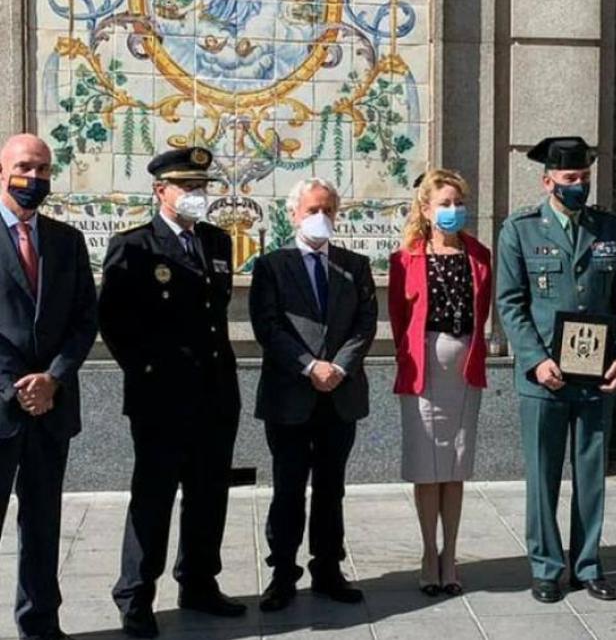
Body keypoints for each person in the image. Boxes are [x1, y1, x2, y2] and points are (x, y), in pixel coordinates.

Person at [100, 147, 245, 638]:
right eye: (187, 187)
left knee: (209, 493)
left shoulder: (218, 241)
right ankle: (135, 595)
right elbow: (115, 321)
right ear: (161, 191)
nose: (197, 196)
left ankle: (199, 582)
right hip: (160, 395)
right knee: (154, 495)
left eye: (202, 187)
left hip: (215, 391)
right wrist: (147, 374)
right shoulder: (135, 246)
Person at [495, 136, 616, 604]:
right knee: (543, 475)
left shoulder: (609, 228)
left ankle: (588, 564)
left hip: (596, 373)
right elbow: (511, 304)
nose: (578, 185)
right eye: (569, 178)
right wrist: (536, 361)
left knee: (591, 472)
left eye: (583, 178)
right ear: (548, 180)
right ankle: (546, 567)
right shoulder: (521, 229)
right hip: (545, 376)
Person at [249, 178, 378, 611]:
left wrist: (338, 366)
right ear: (293, 215)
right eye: (311, 210)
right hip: (291, 393)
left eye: (327, 210)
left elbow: (364, 324)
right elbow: (268, 326)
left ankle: (328, 568)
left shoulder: (355, 265)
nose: (319, 218)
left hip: (340, 394)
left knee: (331, 487)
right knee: (288, 487)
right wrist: (309, 365)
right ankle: (282, 572)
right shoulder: (271, 265)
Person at [0, 135, 97, 640]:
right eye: (23, 167)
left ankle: (39, 624)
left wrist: (53, 378)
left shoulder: (66, 241)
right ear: (1, 172)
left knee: (42, 523)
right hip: (2, 403)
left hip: (51, 405)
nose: (33, 177)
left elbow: (84, 320)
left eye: (42, 169)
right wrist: (16, 385)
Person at [389, 169, 492, 596]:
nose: (452, 211)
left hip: (464, 367)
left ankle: (450, 555)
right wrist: (414, 355)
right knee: (426, 469)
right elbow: (398, 317)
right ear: (426, 210)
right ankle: (428, 552)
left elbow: (483, 308)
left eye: (457, 203)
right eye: (444, 204)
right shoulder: (406, 258)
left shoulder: (479, 254)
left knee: (454, 467)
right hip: (423, 368)